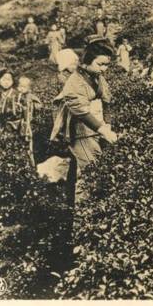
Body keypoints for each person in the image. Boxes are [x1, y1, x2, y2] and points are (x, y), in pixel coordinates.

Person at [51, 41, 119, 206]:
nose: (104, 68)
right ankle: (83, 215)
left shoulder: (98, 77)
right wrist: (103, 128)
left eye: (107, 65)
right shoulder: (74, 82)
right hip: (81, 131)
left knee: (100, 169)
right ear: (88, 60)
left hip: (98, 127)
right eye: (100, 64)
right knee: (91, 171)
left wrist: (107, 124)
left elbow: (106, 100)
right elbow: (81, 111)